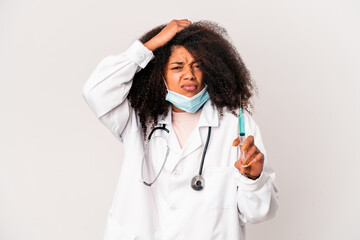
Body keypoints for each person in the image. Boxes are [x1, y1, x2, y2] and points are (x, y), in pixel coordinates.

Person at [82, 19, 279, 240]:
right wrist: (149, 46)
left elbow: (258, 213)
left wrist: (253, 179)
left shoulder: (236, 125)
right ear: (159, 73)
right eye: (177, 67)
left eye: (198, 65)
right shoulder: (137, 118)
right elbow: (95, 91)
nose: (189, 75)